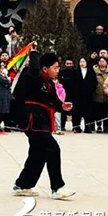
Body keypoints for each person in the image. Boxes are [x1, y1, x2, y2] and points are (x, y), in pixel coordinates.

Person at [12, 50, 74, 200]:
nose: (57, 70)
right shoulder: (33, 77)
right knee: (52, 148)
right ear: (44, 68)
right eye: (55, 67)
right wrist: (33, 51)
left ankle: (23, 185)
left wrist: (62, 106)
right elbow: (34, 66)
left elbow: (54, 101)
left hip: (43, 120)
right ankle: (57, 187)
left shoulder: (50, 84)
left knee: (37, 153)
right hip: (33, 120)